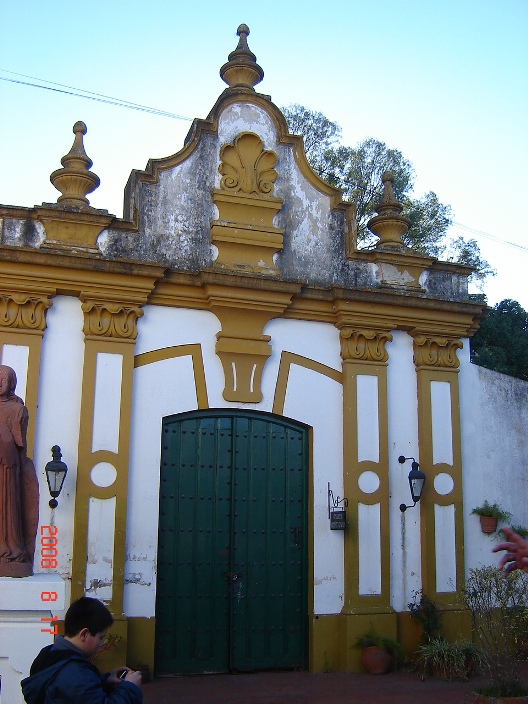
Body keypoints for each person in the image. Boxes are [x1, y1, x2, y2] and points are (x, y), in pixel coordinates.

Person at [21, 596, 142, 704]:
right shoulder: (77, 674)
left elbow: (72, 693)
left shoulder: (49, 653)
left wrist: (104, 681)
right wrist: (130, 687)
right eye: (100, 637)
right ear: (84, 634)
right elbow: (76, 686)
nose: (101, 643)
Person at [0, 364, 35, 576]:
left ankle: (9, 549)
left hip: (6, 471)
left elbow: (19, 445)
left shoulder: (17, 410)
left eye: (3, 379)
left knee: (6, 508)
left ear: (11, 383)